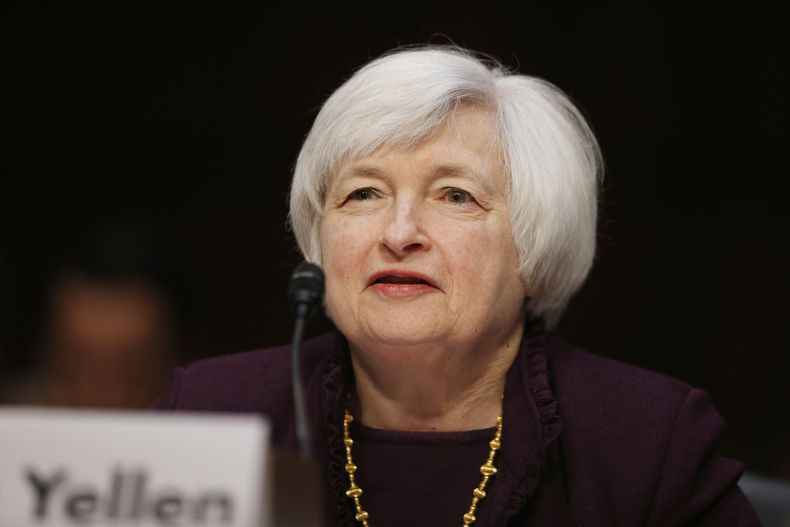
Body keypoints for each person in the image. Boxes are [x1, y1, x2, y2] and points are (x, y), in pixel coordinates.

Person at [153, 46, 759, 526]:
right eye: (363, 192)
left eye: (456, 196)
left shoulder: (646, 442)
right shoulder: (212, 415)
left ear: (536, 243)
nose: (399, 232)